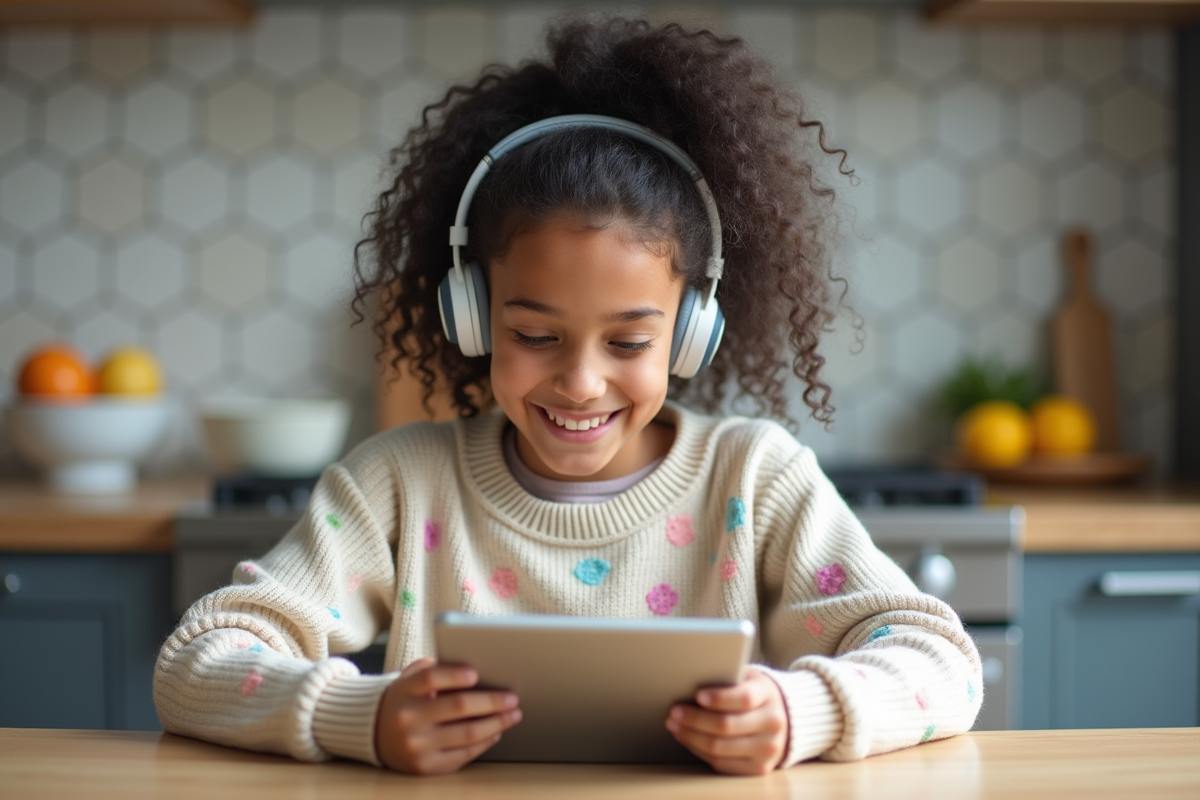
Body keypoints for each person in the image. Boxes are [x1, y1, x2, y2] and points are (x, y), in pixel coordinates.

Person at [154, 15, 983, 777]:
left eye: (628, 342)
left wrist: (800, 713)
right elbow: (195, 662)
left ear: (692, 331)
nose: (581, 382)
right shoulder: (398, 487)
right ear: (472, 317)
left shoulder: (755, 480)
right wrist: (354, 714)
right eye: (536, 335)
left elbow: (942, 662)